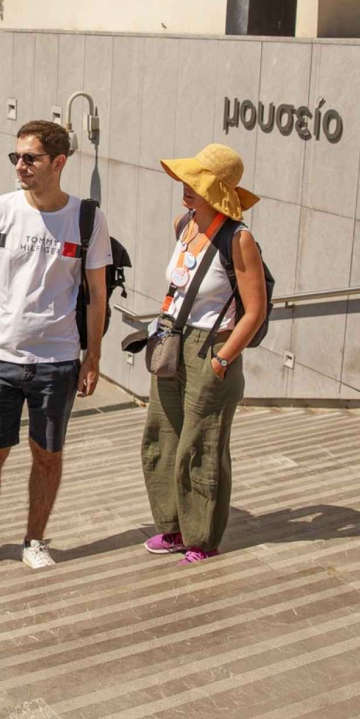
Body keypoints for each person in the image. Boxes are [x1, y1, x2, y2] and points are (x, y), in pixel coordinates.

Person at [0, 120, 110, 582]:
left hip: (57, 361)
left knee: (47, 455)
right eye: (15, 157)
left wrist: (92, 357)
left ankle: (34, 540)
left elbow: (96, 294)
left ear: (58, 163)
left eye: (30, 158)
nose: (20, 166)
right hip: (0, 357)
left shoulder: (88, 218)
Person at [140, 145, 267, 566]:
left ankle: (202, 538)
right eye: (186, 180)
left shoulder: (239, 238)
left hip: (213, 347)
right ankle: (173, 527)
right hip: (172, 341)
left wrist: (223, 359)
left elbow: (255, 311)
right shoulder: (184, 223)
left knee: (202, 445)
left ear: (217, 190)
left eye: (195, 183)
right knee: (162, 435)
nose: (185, 189)